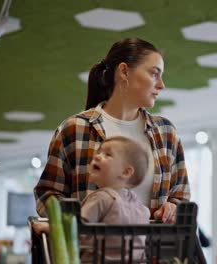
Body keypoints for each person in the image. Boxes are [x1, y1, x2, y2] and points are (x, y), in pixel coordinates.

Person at [33, 37, 190, 224]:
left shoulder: (166, 134)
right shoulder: (74, 129)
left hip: (152, 252)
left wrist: (172, 207)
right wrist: (79, 224)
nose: (161, 85)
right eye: (154, 73)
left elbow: (180, 196)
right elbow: (47, 195)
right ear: (124, 71)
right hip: (91, 252)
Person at [80, 136, 150, 260]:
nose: (96, 156)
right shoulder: (141, 208)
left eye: (107, 154)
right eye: (99, 152)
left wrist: (49, 227)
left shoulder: (101, 198)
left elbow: (75, 229)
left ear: (126, 172)